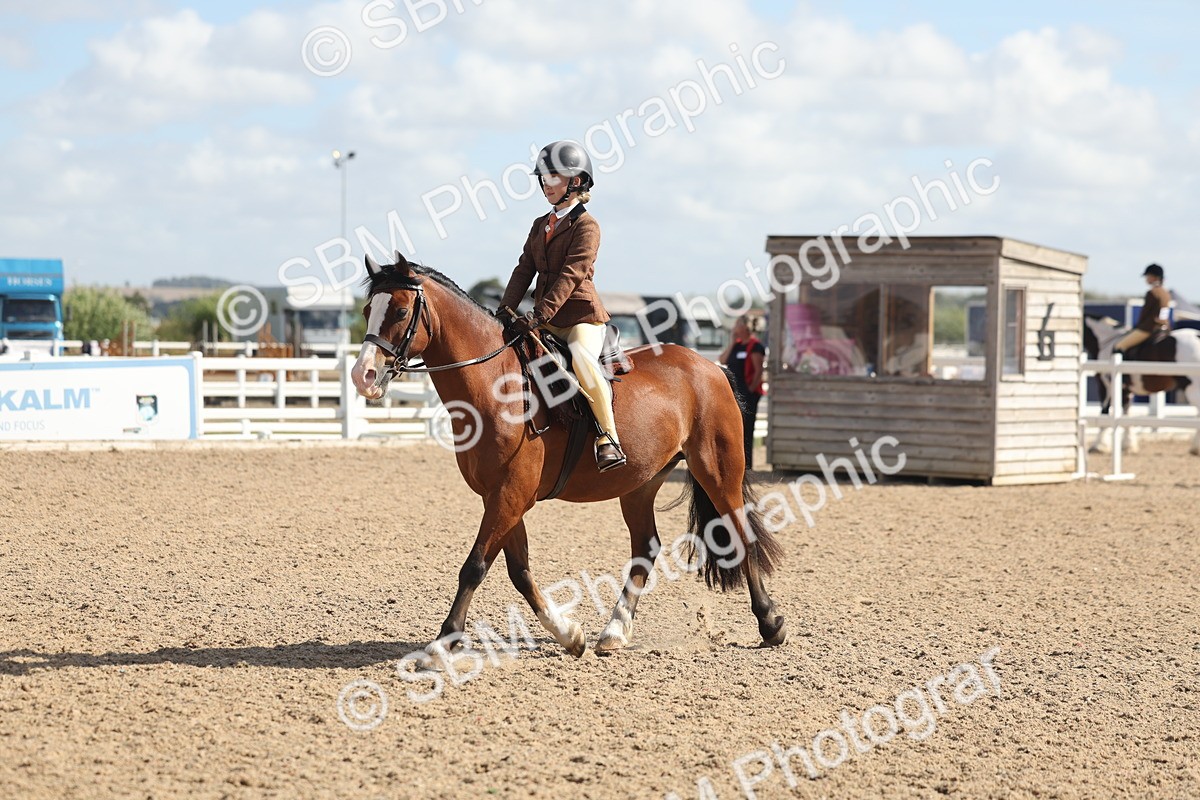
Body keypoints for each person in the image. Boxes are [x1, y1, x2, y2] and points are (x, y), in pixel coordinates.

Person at [498, 140, 626, 472]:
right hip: (544, 318)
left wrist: (539, 315)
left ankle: (608, 437)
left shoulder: (587, 226)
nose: (545, 184)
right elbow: (524, 268)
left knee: (582, 360)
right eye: (542, 177)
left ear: (577, 182)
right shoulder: (540, 224)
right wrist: (504, 309)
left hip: (580, 317)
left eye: (553, 176)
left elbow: (572, 275)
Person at [720, 316, 765, 469]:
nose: (734, 328)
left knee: (747, 427)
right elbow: (723, 359)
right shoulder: (737, 345)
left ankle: (747, 464)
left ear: (745, 327)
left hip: (748, 393)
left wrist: (750, 390)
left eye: (737, 325)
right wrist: (732, 342)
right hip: (733, 392)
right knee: (733, 427)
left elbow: (759, 370)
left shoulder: (755, 346)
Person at [1114, 263, 1172, 356]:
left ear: (1154, 277)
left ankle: (1123, 370)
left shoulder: (1152, 292)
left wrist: (1137, 326)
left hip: (1149, 328)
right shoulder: (1166, 293)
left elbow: (1144, 314)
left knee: (1119, 346)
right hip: (1164, 328)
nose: (1146, 279)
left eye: (1148, 276)